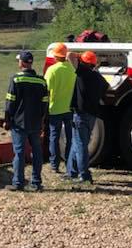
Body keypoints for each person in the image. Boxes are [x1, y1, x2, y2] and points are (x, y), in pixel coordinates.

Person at [3, 51, 49, 191]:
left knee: (20, 152)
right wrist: (42, 121)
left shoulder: (16, 79)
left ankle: (18, 183)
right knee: (36, 152)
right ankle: (36, 182)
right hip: (35, 123)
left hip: (19, 122)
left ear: (22, 63)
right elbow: (45, 103)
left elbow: (10, 101)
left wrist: (7, 119)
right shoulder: (42, 81)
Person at [67, 50, 109, 184]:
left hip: (80, 115)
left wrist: (79, 55)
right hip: (92, 115)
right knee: (77, 143)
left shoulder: (83, 72)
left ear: (84, 63)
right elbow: (107, 87)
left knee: (80, 145)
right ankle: (72, 172)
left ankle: (84, 175)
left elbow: (68, 55)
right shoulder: (98, 77)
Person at [44, 42, 76, 174]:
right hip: (69, 109)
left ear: (56, 56)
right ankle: (69, 162)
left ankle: (54, 165)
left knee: (54, 137)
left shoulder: (52, 70)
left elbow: (46, 91)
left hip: (54, 109)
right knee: (70, 137)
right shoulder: (72, 69)